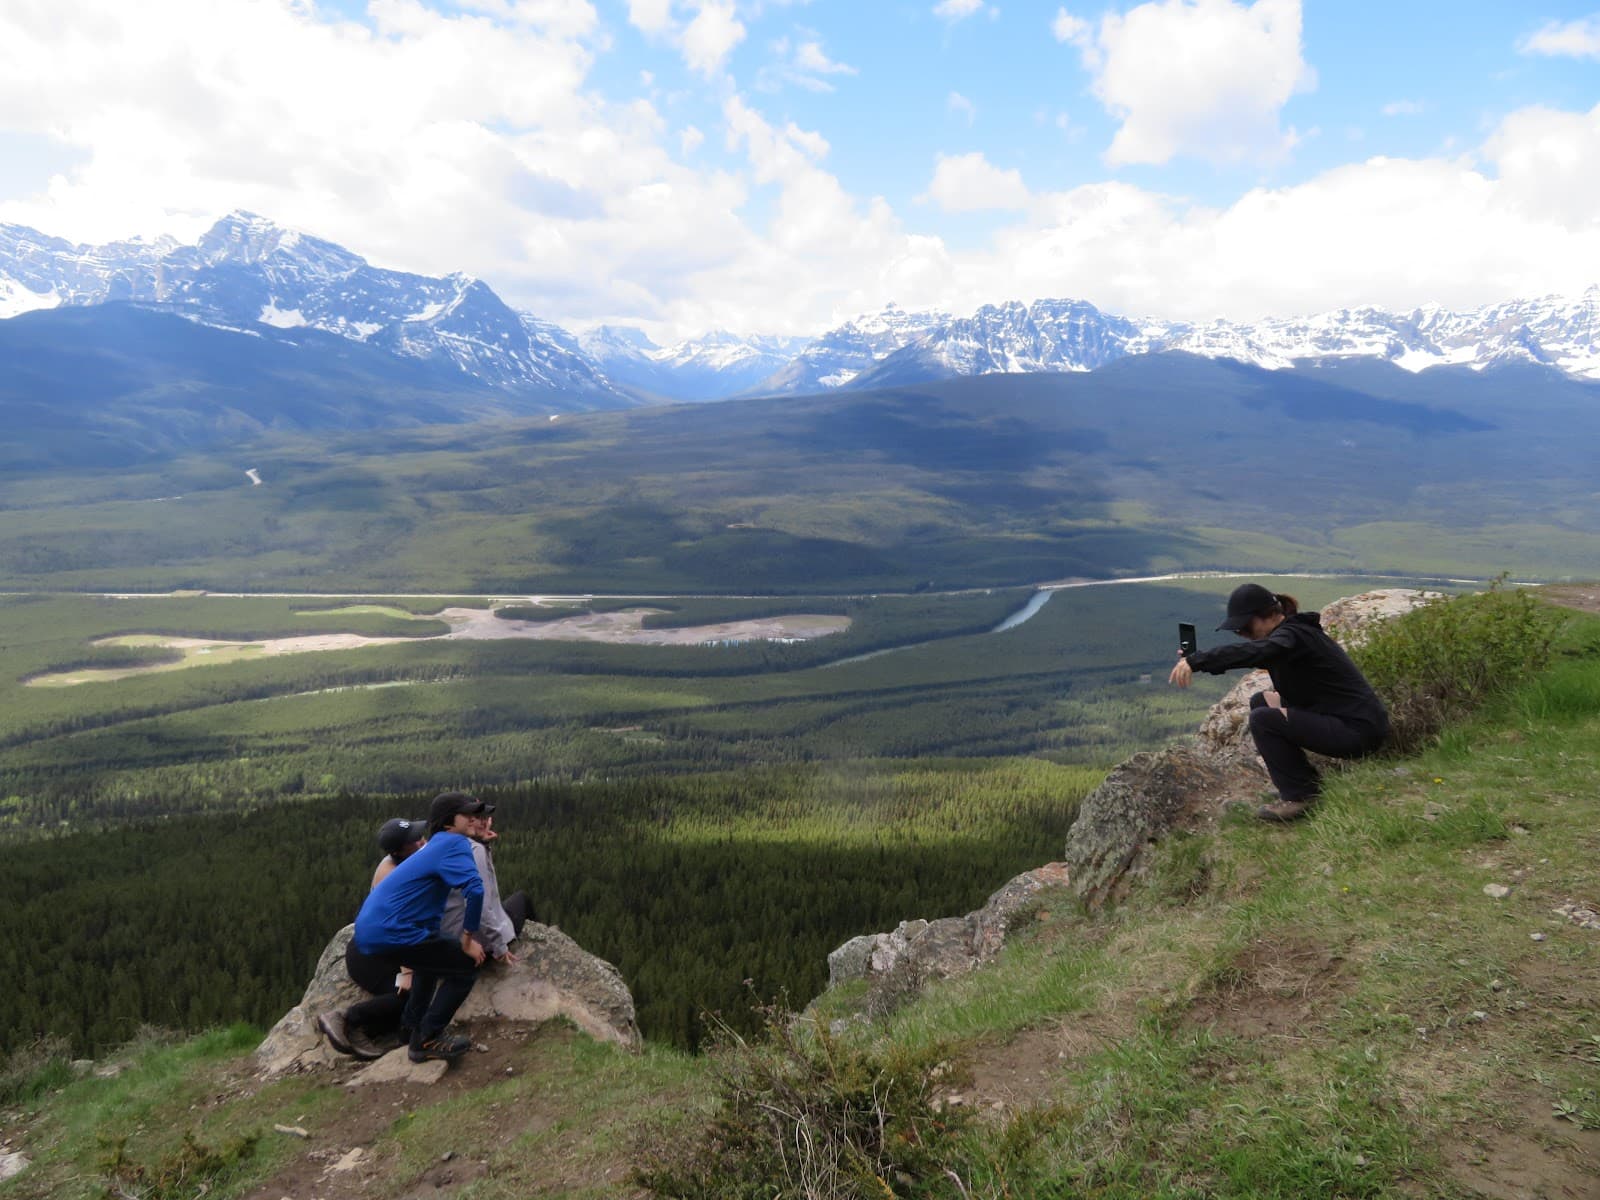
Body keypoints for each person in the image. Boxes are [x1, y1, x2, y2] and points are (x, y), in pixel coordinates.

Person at [1169, 583, 1390, 822]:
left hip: (1358, 731)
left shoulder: (1292, 636)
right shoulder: (1289, 636)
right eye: (1237, 630)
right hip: (1344, 719)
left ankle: (1301, 796)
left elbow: (1258, 651)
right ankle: (1298, 781)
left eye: (1244, 626)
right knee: (1261, 701)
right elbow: (1253, 652)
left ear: (1267, 615)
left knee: (1263, 720)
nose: (1242, 633)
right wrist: (1198, 660)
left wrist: (1199, 661)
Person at [353, 792, 491, 1063]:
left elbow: (427, 906)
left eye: (477, 814)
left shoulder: (436, 845)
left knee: (429, 966)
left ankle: (409, 1028)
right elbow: (475, 890)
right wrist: (467, 941)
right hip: (393, 930)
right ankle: (428, 1037)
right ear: (449, 823)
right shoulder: (454, 843)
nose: (476, 819)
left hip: (371, 931)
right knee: (466, 966)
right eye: (468, 815)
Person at [316, 817, 427, 1059]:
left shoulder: (404, 861)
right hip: (371, 958)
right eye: (415, 840)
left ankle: (370, 1030)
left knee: (419, 994)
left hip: (382, 951)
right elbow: (399, 926)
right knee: (412, 994)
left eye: (419, 835)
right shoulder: (393, 875)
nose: (421, 840)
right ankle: (348, 1019)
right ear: (399, 851)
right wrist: (407, 972)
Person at [440, 811, 532, 963]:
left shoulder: (440, 848)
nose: (485, 822)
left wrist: (482, 842)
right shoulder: (474, 850)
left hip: (453, 939)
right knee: (522, 899)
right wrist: (499, 947)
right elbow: (480, 906)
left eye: (485, 817)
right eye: (477, 818)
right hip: (480, 944)